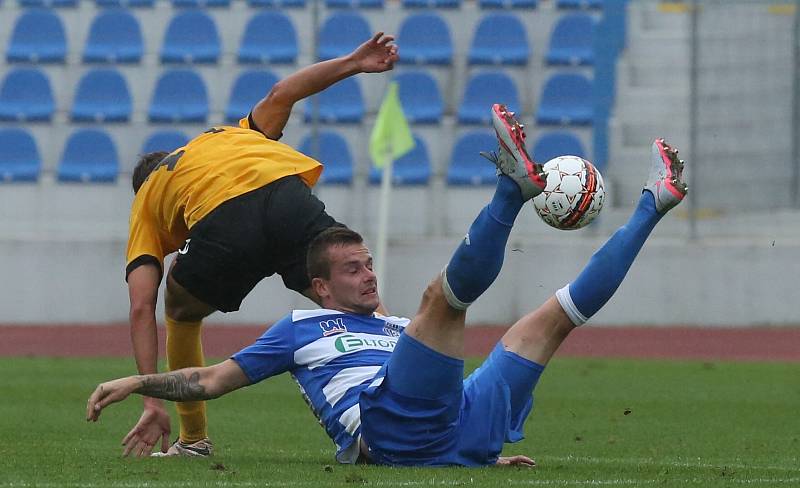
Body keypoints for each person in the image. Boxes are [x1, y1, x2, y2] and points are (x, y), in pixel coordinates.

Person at [89, 104, 688, 466]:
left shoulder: (396, 326)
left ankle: (651, 206)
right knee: (442, 305)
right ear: (318, 287)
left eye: (369, 263)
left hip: (452, 427)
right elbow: (212, 379)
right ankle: (510, 191)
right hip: (387, 430)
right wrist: (140, 384)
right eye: (352, 269)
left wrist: (477, 451)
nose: (369, 275)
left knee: (553, 319)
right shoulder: (300, 328)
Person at [123, 33, 399, 458]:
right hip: (287, 193)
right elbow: (282, 92)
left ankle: (193, 439)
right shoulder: (228, 136)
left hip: (226, 220)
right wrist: (354, 61)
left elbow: (141, 305)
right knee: (354, 292)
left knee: (179, 309)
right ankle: (406, 403)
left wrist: (150, 400)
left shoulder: (148, 196)